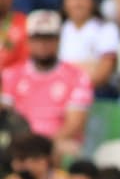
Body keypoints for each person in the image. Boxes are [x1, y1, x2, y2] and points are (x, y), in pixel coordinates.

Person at [1, 10, 92, 160]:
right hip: (18, 141)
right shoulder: (11, 75)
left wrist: (41, 147)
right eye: (37, 38)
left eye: (48, 38)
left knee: (63, 149)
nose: (43, 44)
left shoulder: (77, 76)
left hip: (57, 143)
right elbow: (5, 115)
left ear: (58, 40)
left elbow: (74, 124)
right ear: (28, 41)